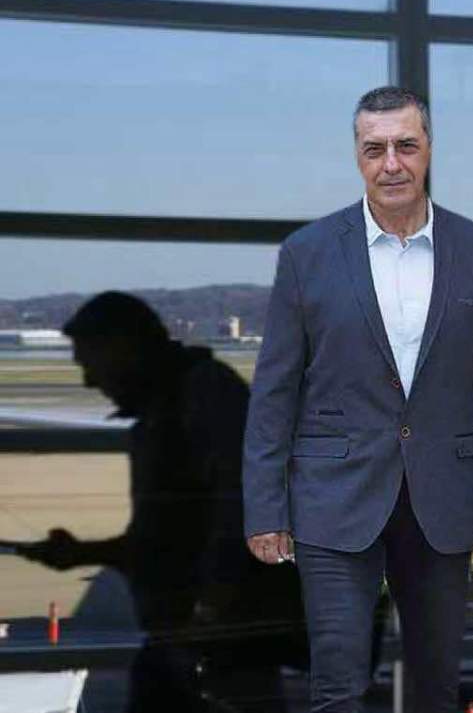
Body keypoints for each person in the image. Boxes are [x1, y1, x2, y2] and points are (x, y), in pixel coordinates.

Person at [242, 86, 473, 713]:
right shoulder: (307, 254)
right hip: (333, 499)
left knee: (436, 689)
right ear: (357, 157)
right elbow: (273, 393)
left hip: (442, 501)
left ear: (429, 149)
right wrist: (266, 508)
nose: (391, 164)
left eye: (406, 145)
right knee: (337, 688)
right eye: (375, 150)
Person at [18, 292, 305, 712]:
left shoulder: (198, 399)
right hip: (191, 642)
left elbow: (240, 513)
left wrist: (211, 610)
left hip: (216, 644)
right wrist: (84, 553)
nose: (89, 382)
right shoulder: (167, 410)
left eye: (90, 363)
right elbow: (168, 542)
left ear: (123, 348)